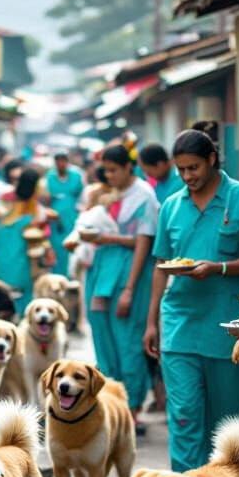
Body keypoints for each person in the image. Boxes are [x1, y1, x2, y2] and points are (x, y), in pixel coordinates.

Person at [143, 129, 239, 472]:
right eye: (181, 170)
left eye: (193, 168)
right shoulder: (171, 206)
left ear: (212, 159)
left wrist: (220, 267)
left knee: (226, 422)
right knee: (183, 417)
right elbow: (160, 266)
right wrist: (151, 322)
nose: (187, 176)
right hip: (179, 323)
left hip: (226, 326)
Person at [85, 145, 158, 432]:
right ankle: (111, 404)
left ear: (129, 167)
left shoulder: (144, 197)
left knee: (128, 343)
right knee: (104, 340)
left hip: (131, 274)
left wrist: (129, 289)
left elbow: (143, 243)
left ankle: (133, 408)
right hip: (102, 272)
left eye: (114, 170)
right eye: (106, 171)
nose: (110, 175)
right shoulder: (107, 194)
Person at [0, 167, 54, 311]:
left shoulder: (2, 200)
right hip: (22, 258)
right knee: (22, 295)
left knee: (1, 292)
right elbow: (41, 233)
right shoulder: (35, 210)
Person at [44, 150, 84, 276]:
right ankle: (57, 275)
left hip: (71, 217)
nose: (61, 164)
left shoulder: (76, 176)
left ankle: (71, 276)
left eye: (63, 161)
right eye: (58, 161)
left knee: (71, 245)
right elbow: (46, 198)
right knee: (56, 246)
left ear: (67, 162)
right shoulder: (50, 177)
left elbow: (81, 197)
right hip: (55, 220)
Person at [138, 143, 182, 207]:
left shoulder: (181, 181)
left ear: (159, 165)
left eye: (149, 172)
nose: (148, 176)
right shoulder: (159, 185)